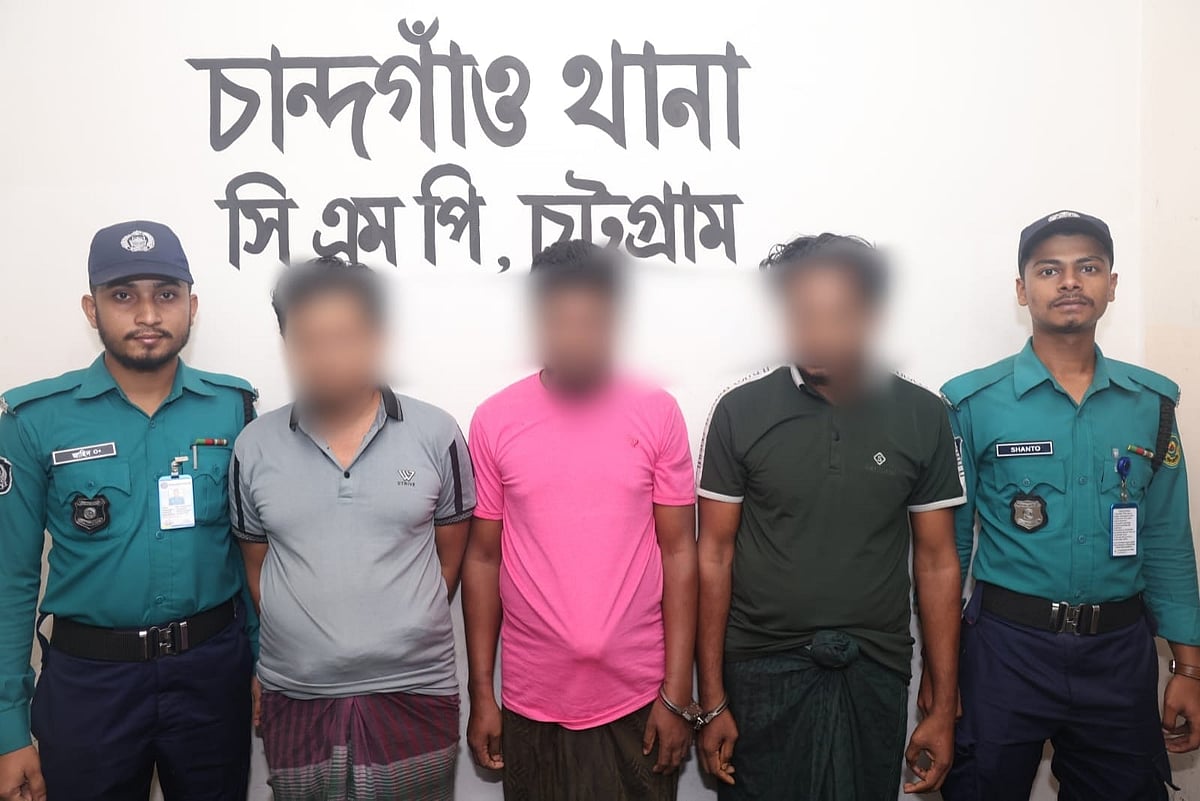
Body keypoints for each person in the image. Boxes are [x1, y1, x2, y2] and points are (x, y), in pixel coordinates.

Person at [940, 210, 1200, 800]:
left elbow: (1166, 540)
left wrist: (1188, 667)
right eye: (1048, 269)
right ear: (1022, 289)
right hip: (1006, 650)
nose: (1069, 282)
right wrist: (942, 672)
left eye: (1088, 267)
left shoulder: (1151, 404)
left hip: (1119, 654)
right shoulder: (972, 403)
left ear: (1112, 284)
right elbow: (947, 552)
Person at [695, 234, 965, 800]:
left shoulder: (922, 414)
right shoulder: (740, 412)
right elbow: (713, 555)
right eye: (800, 315)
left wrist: (943, 702)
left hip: (873, 666)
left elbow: (938, 561)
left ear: (870, 316)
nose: (815, 333)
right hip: (760, 666)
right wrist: (713, 698)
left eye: (835, 315)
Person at [0, 220, 258, 801]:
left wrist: (263, 661)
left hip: (212, 675)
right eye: (123, 296)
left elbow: (253, 553)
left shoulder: (234, 408)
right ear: (92, 309)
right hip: (90, 685)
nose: (147, 315)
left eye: (166, 295)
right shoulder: (33, 420)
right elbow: (10, 579)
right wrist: (8, 726)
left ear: (192, 306)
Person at [461, 240, 698, 800]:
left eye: (590, 321)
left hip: (640, 699)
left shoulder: (657, 412)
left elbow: (679, 553)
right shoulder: (494, 421)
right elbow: (483, 559)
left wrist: (676, 693)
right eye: (559, 320)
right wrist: (482, 694)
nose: (575, 338)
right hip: (532, 702)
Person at [231, 256, 475, 801]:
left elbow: (450, 560)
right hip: (297, 695)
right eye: (308, 340)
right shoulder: (254, 445)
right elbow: (258, 569)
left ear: (376, 337)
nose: (327, 356)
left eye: (343, 337)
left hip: (416, 692)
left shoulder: (437, 433)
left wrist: (396, 629)